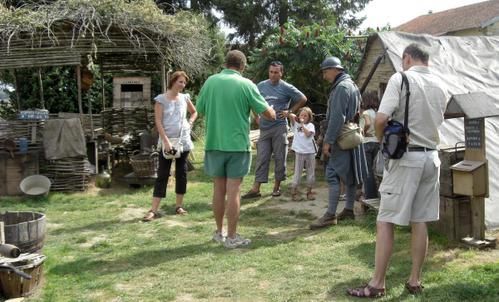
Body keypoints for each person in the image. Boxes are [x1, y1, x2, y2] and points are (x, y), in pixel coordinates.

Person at [347, 43, 448, 297]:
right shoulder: (441, 84)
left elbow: (380, 119)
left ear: (407, 59)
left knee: (385, 220)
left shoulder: (400, 78)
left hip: (406, 157)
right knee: (420, 220)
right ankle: (414, 280)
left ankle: (377, 284)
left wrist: (382, 141)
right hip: (431, 157)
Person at [196, 50, 276, 248]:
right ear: (243, 66)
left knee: (218, 189)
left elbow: (200, 110)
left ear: (226, 63)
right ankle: (232, 237)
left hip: (214, 143)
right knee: (234, 191)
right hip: (238, 146)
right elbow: (268, 114)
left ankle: (219, 232)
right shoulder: (246, 84)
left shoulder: (210, 82)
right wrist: (272, 110)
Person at [309, 56, 367, 230]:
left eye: (326, 71)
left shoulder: (341, 87)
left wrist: (328, 141)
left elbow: (337, 118)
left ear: (336, 70)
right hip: (349, 135)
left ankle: (330, 215)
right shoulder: (351, 85)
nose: (324, 75)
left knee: (332, 174)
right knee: (348, 176)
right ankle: (348, 210)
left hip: (341, 137)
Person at [242, 61, 307, 199]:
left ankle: (276, 187)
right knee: (262, 158)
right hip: (264, 128)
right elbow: (252, 100)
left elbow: (302, 98)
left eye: (276, 72)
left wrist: (289, 111)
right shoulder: (261, 86)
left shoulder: (286, 87)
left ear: (281, 73)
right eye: (271, 72)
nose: (273, 75)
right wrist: (256, 116)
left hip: (279, 128)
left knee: (279, 157)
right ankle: (256, 189)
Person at [142, 71, 197, 221]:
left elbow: (194, 112)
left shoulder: (185, 98)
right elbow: (158, 122)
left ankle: (178, 206)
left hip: (183, 141)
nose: (183, 85)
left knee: (182, 173)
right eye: (180, 82)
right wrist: (165, 142)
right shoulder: (161, 100)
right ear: (173, 81)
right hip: (167, 142)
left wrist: (190, 123)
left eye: (184, 83)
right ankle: (153, 210)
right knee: (163, 174)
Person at [288, 107, 317, 201]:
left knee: (310, 172)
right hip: (299, 151)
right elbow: (291, 115)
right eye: (302, 115)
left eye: (306, 116)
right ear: (299, 115)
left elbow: (308, 134)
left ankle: (309, 191)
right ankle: (294, 192)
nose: (303, 117)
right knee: (298, 172)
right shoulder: (295, 125)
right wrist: (294, 116)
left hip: (310, 151)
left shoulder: (311, 125)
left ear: (309, 117)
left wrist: (302, 124)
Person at [359, 90, 380, 200]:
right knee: (374, 170)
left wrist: (364, 131)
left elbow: (367, 123)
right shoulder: (377, 113)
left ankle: (370, 196)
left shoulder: (366, 113)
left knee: (367, 171)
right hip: (377, 142)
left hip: (367, 142)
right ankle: (374, 194)